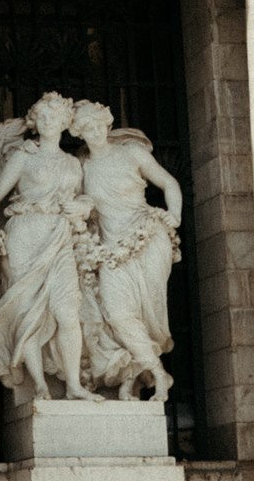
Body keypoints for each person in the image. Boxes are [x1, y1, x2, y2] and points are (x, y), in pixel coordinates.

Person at [0, 92, 101, 401]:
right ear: (34, 121)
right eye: (41, 117)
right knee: (26, 312)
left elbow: (85, 200)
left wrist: (83, 205)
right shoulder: (24, 156)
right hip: (25, 235)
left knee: (67, 312)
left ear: (66, 122)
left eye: (53, 117)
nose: (46, 122)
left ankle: (73, 385)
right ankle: (39, 385)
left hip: (60, 236)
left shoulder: (72, 164)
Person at [69, 100, 184, 401]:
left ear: (107, 125)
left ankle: (133, 377)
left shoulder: (131, 153)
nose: (93, 132)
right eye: (86, 129)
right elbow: (79, 203)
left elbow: (169, 183)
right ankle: (158, 373)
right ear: (79, 133)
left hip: (147, 237)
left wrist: (175, 214)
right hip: (110, 248)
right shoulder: (82, 167)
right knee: (117, 313)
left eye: (97, 125)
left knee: (147, 313)